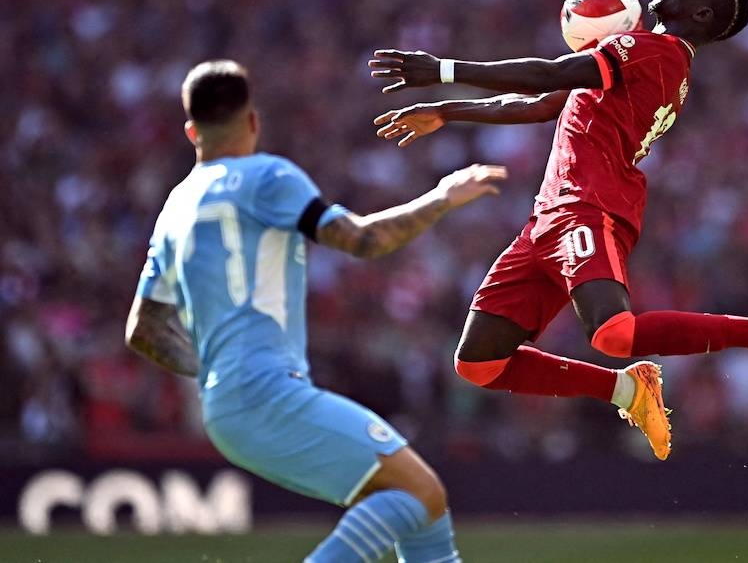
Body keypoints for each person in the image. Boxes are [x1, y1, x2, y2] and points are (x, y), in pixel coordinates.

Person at [368, 0, 748, 461]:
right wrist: (448, 111)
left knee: (614, 332)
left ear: (698, 12)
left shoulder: (655, 51)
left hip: (590, 206)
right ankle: (626, 391)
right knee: (480, 363)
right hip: (547, 220)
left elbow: (549, 73)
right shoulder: (644, 62)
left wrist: (439, 71)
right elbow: (539, 103)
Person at [126, 60, 506, 563]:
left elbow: (143, 328)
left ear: (191, 131)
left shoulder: (175, 205)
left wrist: (215, 371)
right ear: (254, 121)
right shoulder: (270, 175)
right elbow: (363, 239)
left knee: (422, 505)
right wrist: (440, 198)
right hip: (266, 392)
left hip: (225, 407)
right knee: (418, 493)